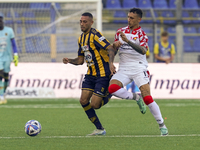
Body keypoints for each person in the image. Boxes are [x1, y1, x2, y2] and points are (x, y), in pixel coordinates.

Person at [108, 8, 168, 136]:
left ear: (139, 19)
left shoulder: (142, 34)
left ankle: (162, 125)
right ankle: (136, 97)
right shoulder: (120, 31)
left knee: (147, 97)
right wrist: (111, 60)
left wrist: (128, 41)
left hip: (139, 67)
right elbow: (112, 49)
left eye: (132, 18)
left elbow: (143, 51)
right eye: (128, 17)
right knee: (112, 88)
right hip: (124, 68)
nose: (129, 20)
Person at [63, 12, 114, 136]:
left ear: (91, 22)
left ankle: (112, 91)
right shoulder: (81, 38)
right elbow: (80, 60)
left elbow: (111, 48)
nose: (82, 24)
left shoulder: (96, 36)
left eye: (85, 21)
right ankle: (100, 129)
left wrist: (111, 64)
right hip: (90, 74)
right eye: (81, 21)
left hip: (103, 73)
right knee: (83, 100)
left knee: (95, 105)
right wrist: (70, 60)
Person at [0, 13, 18, 104]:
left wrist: (15, 55)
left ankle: (3, 93)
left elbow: (14, 44)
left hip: (7, 57)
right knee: (0, 74)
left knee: (6, 77)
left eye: (0, 19)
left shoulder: (9, 30)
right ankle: (1, 96)